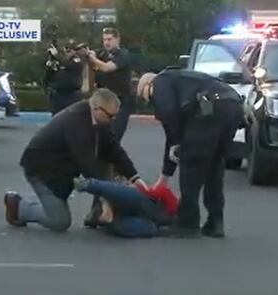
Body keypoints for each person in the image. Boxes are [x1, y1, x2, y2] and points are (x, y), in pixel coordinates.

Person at [3, 88, 147, 232]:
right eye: (111, 116)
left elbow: (114, 150)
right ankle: (18, 206)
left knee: (107, 165)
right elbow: (88, 166)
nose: (113, 120)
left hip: (64, 168)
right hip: (41, 170)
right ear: (97, 109)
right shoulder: (76, 121)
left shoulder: (99, 119)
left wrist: (135, 178)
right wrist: (106, 200)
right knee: (59, 221)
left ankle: (96, 215)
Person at [137, 69, 244, 238]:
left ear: (147, 86)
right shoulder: (183, 79)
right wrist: (166, 175)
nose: (152, 104)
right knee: (214, 166)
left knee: (191, 164)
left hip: (208, 109)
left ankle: (188, 222)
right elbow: (172, 138)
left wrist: (178, 143)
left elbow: (169, 116)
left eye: (149, 99)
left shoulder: (160, 81)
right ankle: (215, 221)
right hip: (233, 104)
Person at [73, 175, 179, 238]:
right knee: (143, 228)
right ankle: (110, 220)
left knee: (131, 197)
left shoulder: (174, 204)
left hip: (146, 206)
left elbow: (161, 192)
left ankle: (90, 185)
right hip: (151, 217)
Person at [87, 27, 133, 142]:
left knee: (114, 135)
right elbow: (93, 53)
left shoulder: (122, 55)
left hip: (120, 101)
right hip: (104, 101)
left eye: (109, 39)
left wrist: (92, 58)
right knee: (100, 135)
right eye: (104, 40)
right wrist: (89, 53)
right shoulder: (103, 53)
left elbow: (107, 68)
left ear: (117, 40)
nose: (106, 42)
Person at [44, 41, 84, 116]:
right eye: (66, 51)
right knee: (56, 118)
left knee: (72, 117)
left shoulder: (76, 61)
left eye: (69, 51)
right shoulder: (59, 61)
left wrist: (57, 56)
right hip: (58, 95)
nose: (67, 53)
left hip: (71, 95)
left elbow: (69, 65)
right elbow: (48, 77)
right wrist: (49, 67)